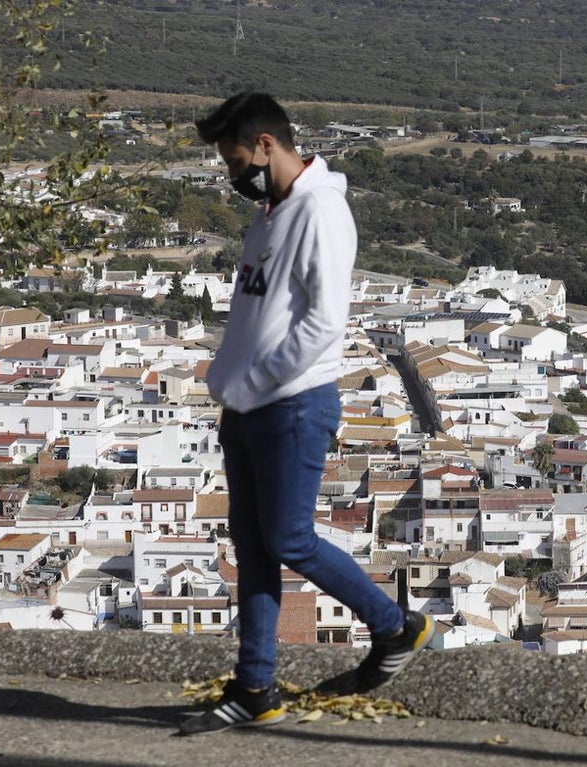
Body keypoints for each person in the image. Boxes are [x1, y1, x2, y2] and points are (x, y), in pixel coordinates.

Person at [179, 92, 433, 736]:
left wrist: (254, 380)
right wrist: (228, 379)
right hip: (246, 406)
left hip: (293, 404)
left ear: (266, 145)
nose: (232, 174)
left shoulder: (321, 210)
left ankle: (395, 626)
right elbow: (258, 314)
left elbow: (324, 323)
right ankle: (254, 689)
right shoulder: (269, 215)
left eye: (236, 161)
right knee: (252, 548)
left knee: (288, 538)